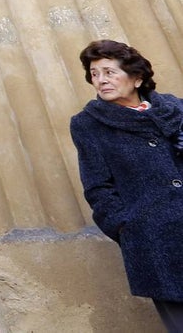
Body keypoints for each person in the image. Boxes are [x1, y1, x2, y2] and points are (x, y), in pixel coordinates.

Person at [70, 39, 183, 332]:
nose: (101, 80)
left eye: (109, 71)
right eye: (95, 73)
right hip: (156, 239)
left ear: (137, 77)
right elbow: (97, 186)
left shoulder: (175, 109)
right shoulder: (88, 124)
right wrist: (127, 226)